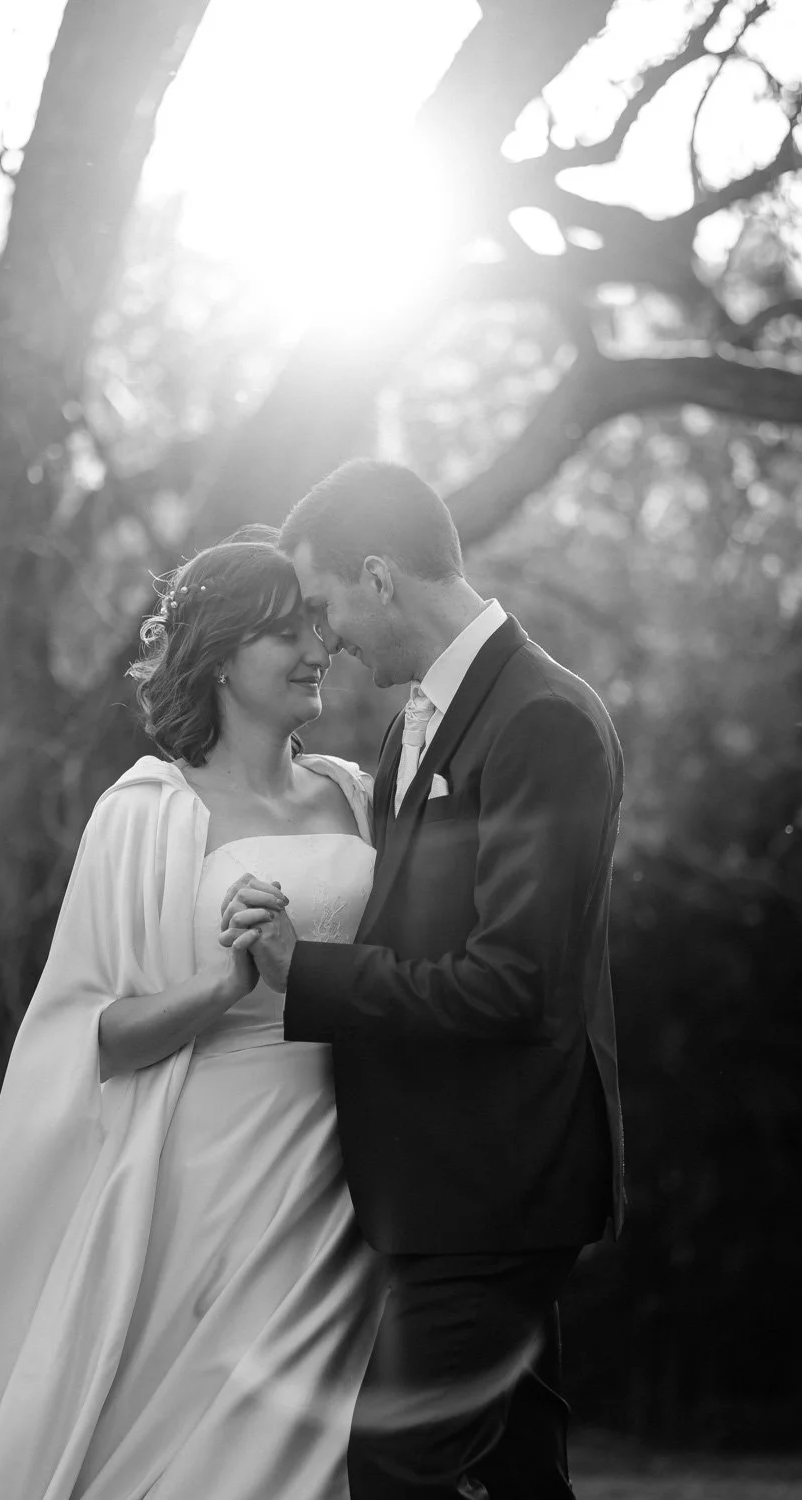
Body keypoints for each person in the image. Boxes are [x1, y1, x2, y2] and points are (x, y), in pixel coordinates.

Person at [0, 539, 385, 1500]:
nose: (318, 646)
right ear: (220, 653)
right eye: (284, 631)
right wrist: (224, 985)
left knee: (306, 1452)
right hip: (207, 1173)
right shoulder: (145, 813)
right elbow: (90, 1033)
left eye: (317, 625)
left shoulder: (357, 795)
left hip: (345, 1166)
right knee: (181, 1442)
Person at [219, 460, 626, 1500]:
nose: (325, 640)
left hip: (498, 1185)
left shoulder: (541, 717)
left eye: (323, 607)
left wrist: (303, 974)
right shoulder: (425, 719)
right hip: (444, 1183)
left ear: (378, 577)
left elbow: (512, 984)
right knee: (519, 1471)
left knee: (398, 1468)